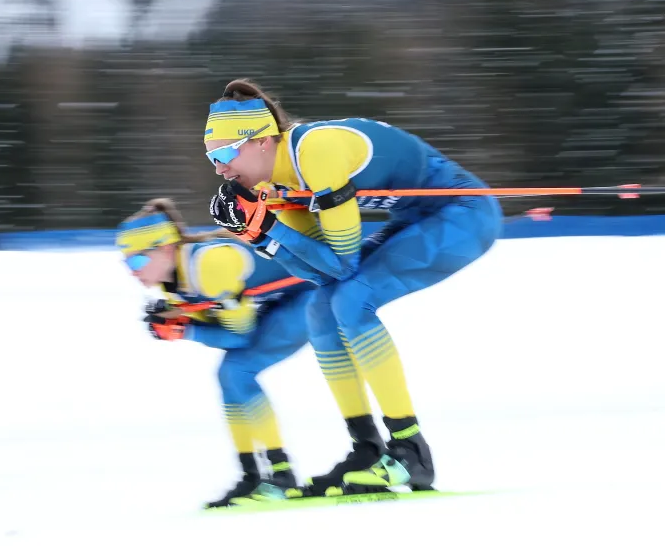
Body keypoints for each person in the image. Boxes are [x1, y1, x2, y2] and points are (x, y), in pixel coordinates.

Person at [202, 78, 504, 497]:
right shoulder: (276, 186)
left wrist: (269, 227)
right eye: (211, 157)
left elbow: (342, 264)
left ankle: (410, 452)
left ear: (262, 142)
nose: (219, 168)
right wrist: (262, 236)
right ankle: (367, 449)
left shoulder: (316, 152)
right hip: (417, 219)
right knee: (321, 308)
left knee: (354, 299)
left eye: (222, 153)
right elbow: (321, 274)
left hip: (464, 213)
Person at [116, 197, 315, 508]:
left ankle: (281, 476)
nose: (132, 271)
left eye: (137, 261)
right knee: (229, 375)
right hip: (282, 299)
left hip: (311, 295)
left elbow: (240, 336)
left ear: (166, 248)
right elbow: (224, 325)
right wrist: (181, 316)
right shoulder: (172, 281)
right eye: (125, 262)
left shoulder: (208, 266)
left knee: (236, 370)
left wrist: (184, 328)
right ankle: (252, 475)